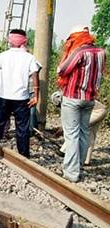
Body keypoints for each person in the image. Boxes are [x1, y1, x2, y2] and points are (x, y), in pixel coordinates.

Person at [57, 25, 106, 182]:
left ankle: (71, 173)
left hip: (73, 97)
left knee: (71, 135)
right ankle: (78, 167)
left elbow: (62, 70)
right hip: (90, 99)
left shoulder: (79, 52)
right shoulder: (101, 52)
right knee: (84, 133)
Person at [0, 29, 39, 162]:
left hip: (1, 96)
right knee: (22, 127)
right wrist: (36, 95)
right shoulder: (29, 57)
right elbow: (35, 75)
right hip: (20, 98)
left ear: (10, 41)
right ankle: (24, 158)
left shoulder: (2, 56)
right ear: (24, 41)